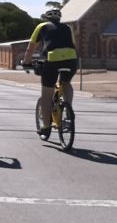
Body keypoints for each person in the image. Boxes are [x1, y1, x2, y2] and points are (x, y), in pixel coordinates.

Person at [23, 8, 79, 138]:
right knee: (66, 82)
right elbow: (74, 45)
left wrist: (26, 62)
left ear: (46, 18)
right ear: (59, 18)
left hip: (52, 60)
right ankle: (69, 110)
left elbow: (30, 48)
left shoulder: (41, 26)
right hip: (71, 59)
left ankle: (46, 127)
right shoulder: (68, 28)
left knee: (46, 96)